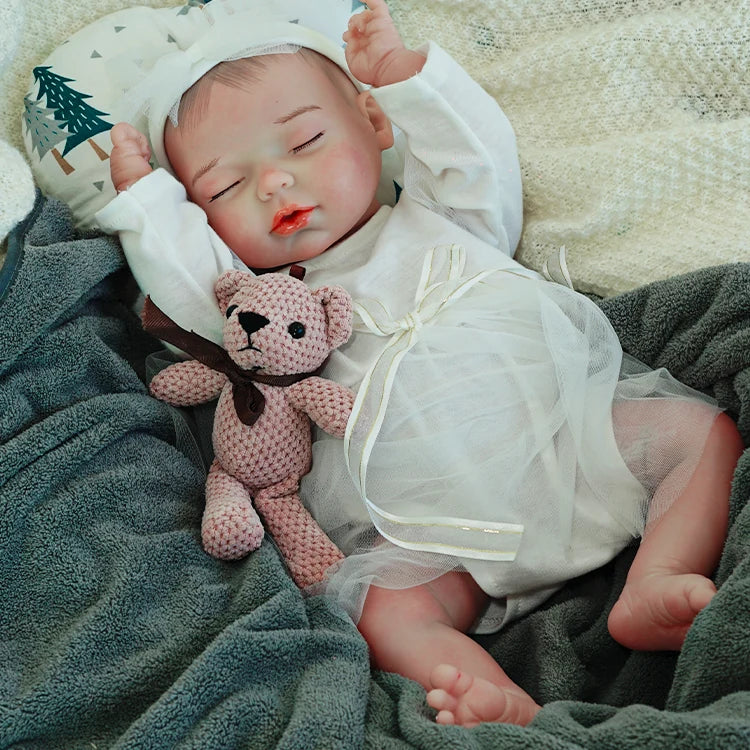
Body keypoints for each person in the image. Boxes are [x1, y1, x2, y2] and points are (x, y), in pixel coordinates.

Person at [97, 0, 744, 728]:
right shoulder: (269, 307)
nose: (275, 184)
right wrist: (146, 203)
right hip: (430, 533)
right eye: (224, 188)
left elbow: (473, 152)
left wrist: (408, 81)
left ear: (375, 127)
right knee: (383, 612)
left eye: (304, 141)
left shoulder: (442, 214)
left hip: (568, 444)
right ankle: (493, 702)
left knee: (699, 433)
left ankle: (656, 578)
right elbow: (186, 282)